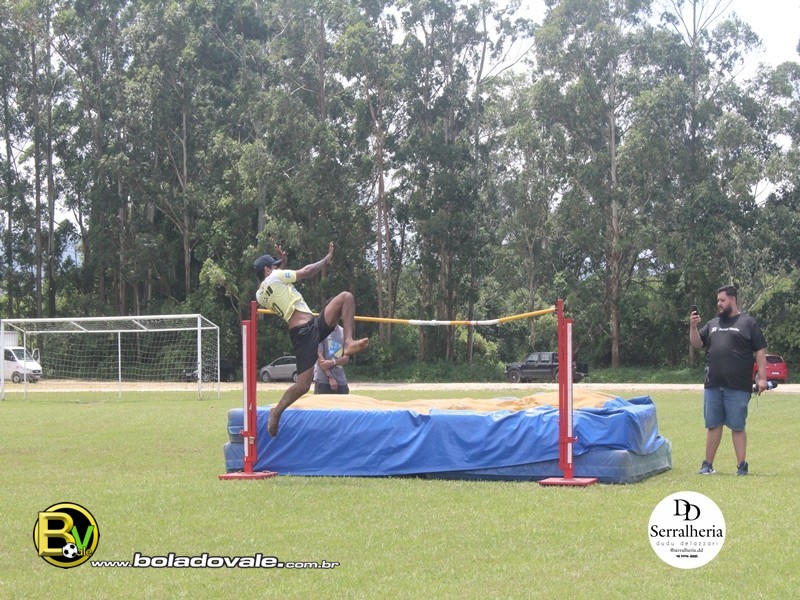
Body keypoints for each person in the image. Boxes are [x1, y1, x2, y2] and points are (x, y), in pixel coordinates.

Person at [254, 242, 368, 437]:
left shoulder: (260, 295)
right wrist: (326, 259)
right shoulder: (275, 277)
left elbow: (275, 283)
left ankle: (348, 342)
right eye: (274, 265)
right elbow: (306, 272)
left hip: (312, 325)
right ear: (267, 270)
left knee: (345, 297)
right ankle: (276, 412)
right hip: (304, 333)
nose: (277, 267)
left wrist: (282, 263)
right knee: (303, 386)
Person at [689, 285, 767, 476]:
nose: (719, 304)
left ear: (733, 299)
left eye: (722, 300)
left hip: (738, 385)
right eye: (718, 300)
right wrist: (693, 326)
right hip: (713, 384)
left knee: (737, 426)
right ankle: (708, 465)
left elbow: (760, 350)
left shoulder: (748, 323)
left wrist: (763, 378)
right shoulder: (713, 324)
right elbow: (697, 343)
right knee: (713, 425)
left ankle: (741, 466)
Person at [313, 324, 350, 394]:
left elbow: (346, 358)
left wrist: (332, 362)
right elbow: (320, 357)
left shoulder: (344, 332)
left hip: (341, 380)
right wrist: (330, 377)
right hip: (323, 380)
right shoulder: (320, 330)